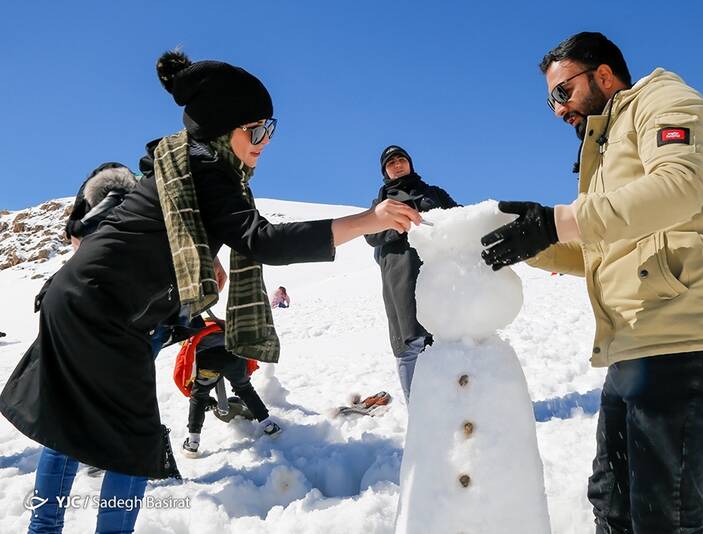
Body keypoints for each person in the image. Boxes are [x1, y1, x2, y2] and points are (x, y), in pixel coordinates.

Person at [1, 50, 420, 533]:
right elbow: (261, 240)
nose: (264, 140)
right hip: (106, 314)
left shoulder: (180, 162)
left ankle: (43, 528)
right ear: (224, 129)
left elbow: (153, 229)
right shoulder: (208, 171)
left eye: (268, 128)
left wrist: (205, 258)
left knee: (68, 426)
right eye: (255, 129)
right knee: (132, 445)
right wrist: (369, 219)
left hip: (75, 300)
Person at [481, 32, 703, 534]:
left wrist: (557, 219)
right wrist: (526, 244)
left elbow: (679, 187)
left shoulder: (665, 100)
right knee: (613, 506)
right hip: (634, 347)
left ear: (603, 75)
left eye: (563, 92)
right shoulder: (605, 149)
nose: (558, 109)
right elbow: (598, 248)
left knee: (663, 520)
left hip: (686, 343)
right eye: (550, 100)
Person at [364, 145, 458, 402]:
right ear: (385, 171)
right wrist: (403, 225)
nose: (397, 164)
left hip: (438, 273)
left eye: (401, 159)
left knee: (444, 339)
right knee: (410, 344)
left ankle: (452, 406)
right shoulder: (381, 203)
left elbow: (460, 218)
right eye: (391, 162)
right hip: (401, 274)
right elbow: (371, 235)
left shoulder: (433, 193)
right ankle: (418, 415)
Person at [178, 319, 279, 457]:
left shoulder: (191, 333)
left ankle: (193, 443)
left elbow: (183, 366)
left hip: (209, 361)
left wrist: (193, 391)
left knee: (199, 396)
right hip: (235, 357)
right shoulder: (222, 324)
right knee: (244, 389)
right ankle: (269, 425)